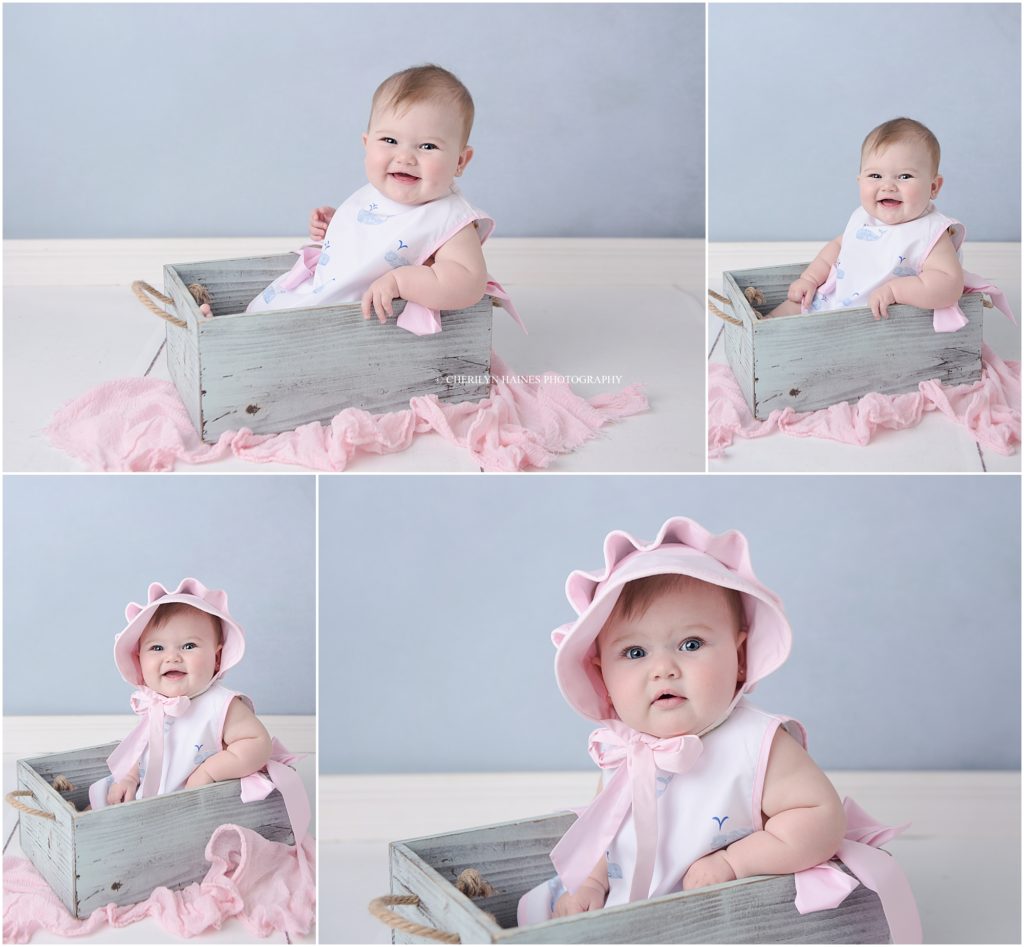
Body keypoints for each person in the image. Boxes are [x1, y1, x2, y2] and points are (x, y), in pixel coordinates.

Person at [517, 517, 920, 942]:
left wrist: (735, 863)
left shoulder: (756, 742)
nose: (663, 669)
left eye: (691, 644)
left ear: (740, 655)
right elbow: (606, 830)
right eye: (634, 652)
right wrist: (593, 880)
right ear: (603, 676)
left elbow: (820, 817)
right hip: (631, 912)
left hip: (724, 918)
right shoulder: (623, 746)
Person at [239, 64, 522, 337]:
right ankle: (227, 333)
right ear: (366, 144)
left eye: (428, 146)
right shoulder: (379, 192)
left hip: (354, 323)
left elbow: (467, 282)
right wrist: (338, 225)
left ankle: (237, 339)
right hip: (323, 292)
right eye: (389, 140)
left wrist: (402, 281)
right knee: (264, 316)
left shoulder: (449, 219)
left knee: (278, 335)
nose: (405, 157)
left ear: (460, 161)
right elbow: (378, 236)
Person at [88, 578, 273, 807]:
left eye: (188, 646)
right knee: (98, 805)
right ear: (139, 660)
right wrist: (130, 776)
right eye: (157, 648)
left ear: (216, 658)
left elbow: (257, 742)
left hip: (196, 809)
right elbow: (145, 748)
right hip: (148, 803)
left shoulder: (221, 704)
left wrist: (209, 772)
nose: (172, 657)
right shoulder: (155, 703)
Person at [769, 118, 965, 323]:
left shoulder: (929, 232)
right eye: (875, 175)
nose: (888, 186)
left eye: (905, 176)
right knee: (787, 311)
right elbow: (837, 247)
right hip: (834, 299)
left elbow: (948, 284)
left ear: (934, 187)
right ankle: (758, 332)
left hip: (878, 319)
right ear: (860, 181)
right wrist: (809, 279)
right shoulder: (863, 218)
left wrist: (895, 291)